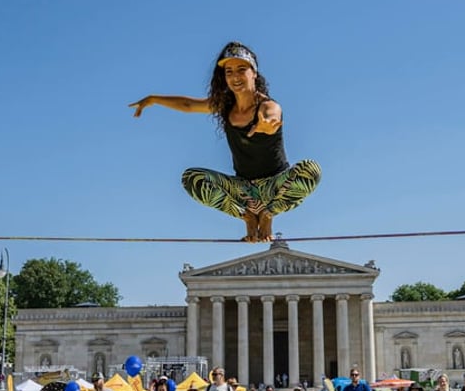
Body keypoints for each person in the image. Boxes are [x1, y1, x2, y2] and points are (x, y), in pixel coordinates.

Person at [129, 41, 322, 242]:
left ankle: (267, 214)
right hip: (243, 190)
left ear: (254, 73)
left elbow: (273, 114)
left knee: (312, 169)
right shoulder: (225, 106)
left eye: (241, 69)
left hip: (275, 186)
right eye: (229, 72)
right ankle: (246, 215)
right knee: (191, 178)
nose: (235, 77)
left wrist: (268, 124)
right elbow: (188, 104)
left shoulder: (267, 105)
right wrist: (153, 99)